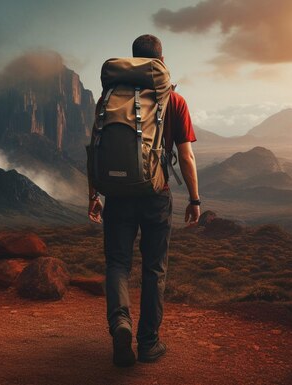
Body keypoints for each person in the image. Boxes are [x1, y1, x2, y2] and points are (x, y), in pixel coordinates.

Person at [87, 34, 200, 366]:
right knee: (154, 269)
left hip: (117, 196)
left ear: (133, 60)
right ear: (160, 62)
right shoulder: (173, 100)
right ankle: (148, 343)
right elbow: (187, 156)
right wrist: (195, 199)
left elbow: (96, 149)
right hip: (156, 195)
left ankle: (120, 323)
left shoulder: (109, 97)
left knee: (117, 264)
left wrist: (95, 194)